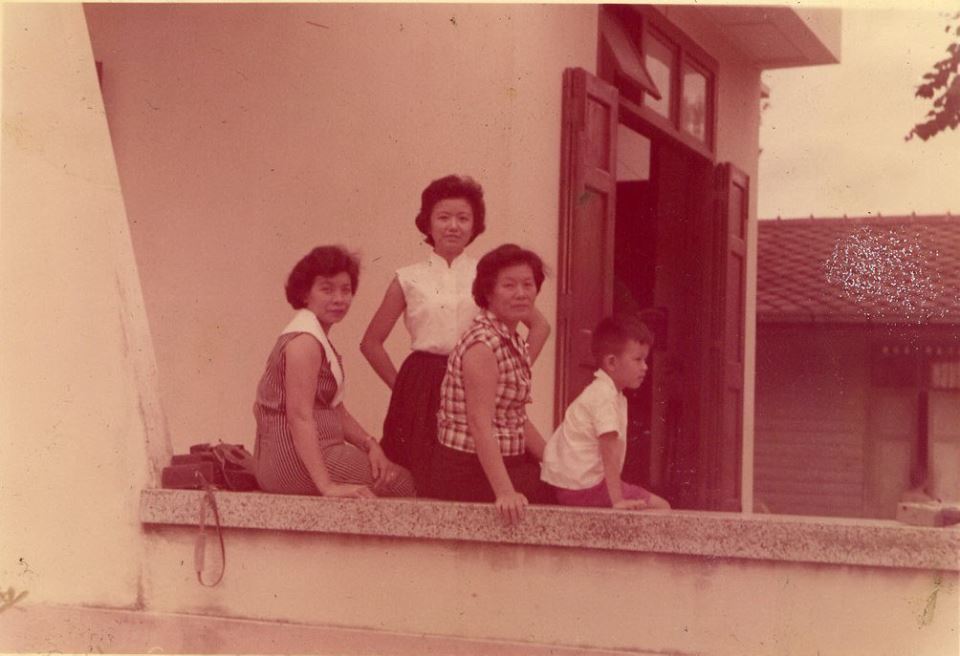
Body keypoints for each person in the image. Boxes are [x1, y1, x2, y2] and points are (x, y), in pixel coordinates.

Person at [361, 176, 549, 495]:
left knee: (486, 472)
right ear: (428, 223)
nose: (453, 226)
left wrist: (509, 372)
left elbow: (540, 326)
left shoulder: (488, 275)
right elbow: (371, 342)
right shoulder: (408, 278)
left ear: (475, 226)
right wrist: (402, 386)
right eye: (443, 217)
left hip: (474, 379)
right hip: (423, 384)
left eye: (463, 218)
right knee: (421, 480)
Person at [254, 246, 415, 498]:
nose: (339, 299)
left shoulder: (316, 337)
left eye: (346, 290)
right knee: (401, 483)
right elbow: (299, 417)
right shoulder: (304, 342)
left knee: (390, 471)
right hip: (292, 462)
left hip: (311, 454)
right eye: (327, 289)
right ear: (304, 294)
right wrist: (327, 487)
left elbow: (335, 408)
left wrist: (370, 444)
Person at [431, 244, 552, 524]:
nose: (521, 293)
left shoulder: (511, 339)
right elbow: (479, 423)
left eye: (528, 284)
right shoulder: (483, 344)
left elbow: (515, 416)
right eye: (509, 285)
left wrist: (556, 461)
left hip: (503, 461)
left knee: (566, 482)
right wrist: (505, 492)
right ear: (488, 292)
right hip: (466, 469)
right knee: (557, 493)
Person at [541, 316, 670, 510]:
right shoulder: (604, 396)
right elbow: (608, 451)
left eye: (645, 360)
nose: (645, 367)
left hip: (575, 487)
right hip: (586, 488)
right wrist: (618, 500)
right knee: (662, 507)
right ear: (611, 362)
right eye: (638, 359)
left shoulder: (605, 392)